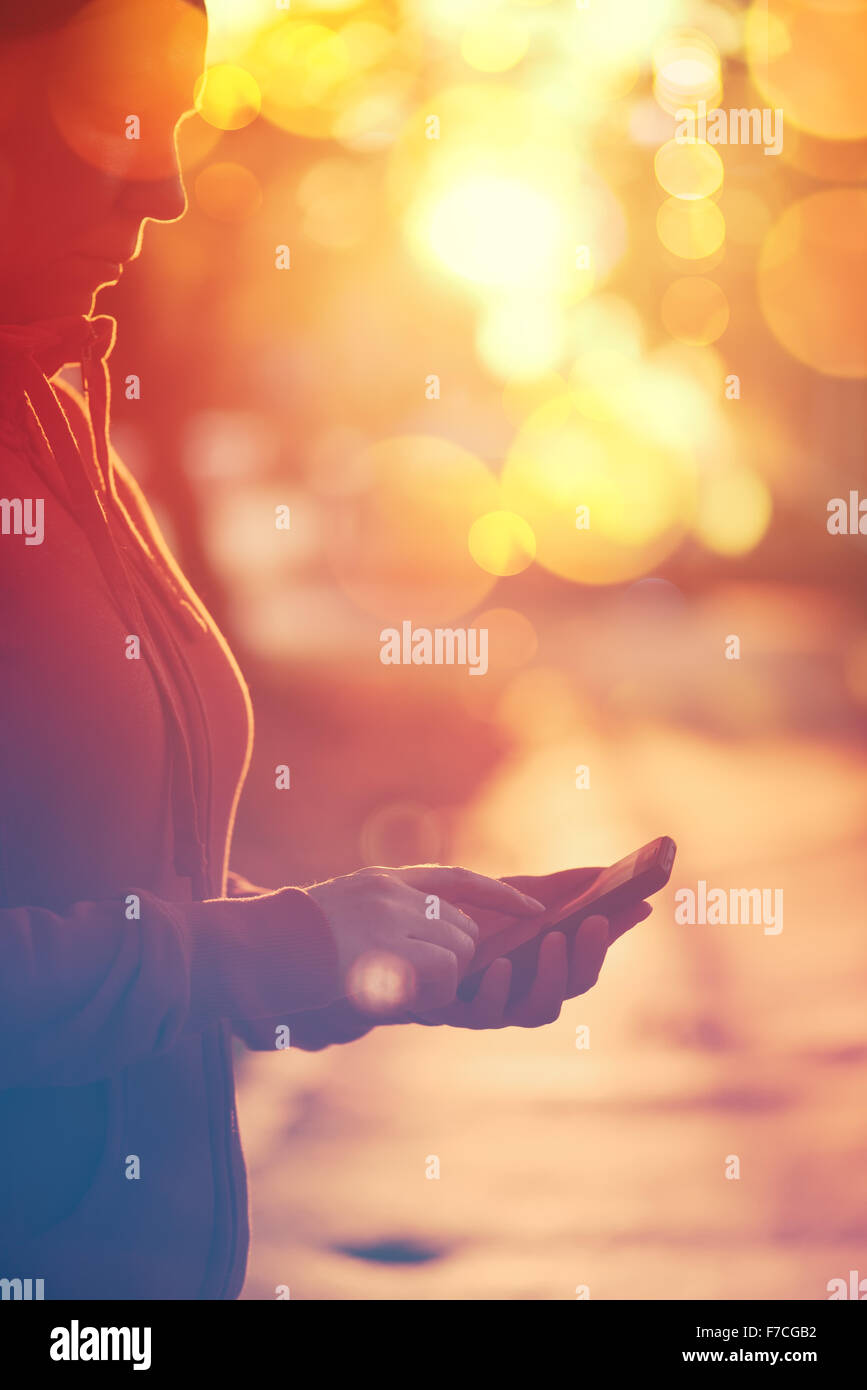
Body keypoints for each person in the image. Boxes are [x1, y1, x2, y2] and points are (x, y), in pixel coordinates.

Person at [0, 0, 649, 1300]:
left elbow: (97, 885)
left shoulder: (59, 414)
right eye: (115, 114)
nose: (170, 187)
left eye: (177, 125)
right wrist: (267, 949)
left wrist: (367, 948)